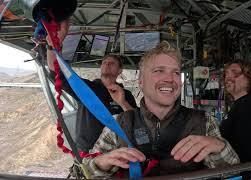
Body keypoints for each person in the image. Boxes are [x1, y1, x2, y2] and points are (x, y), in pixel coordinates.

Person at [82, 41, 239, 178]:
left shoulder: (204, 121)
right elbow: (86, 171)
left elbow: (232, 172)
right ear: (141, 82)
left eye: (176, 72)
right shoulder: (117, 124)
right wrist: (100, 163)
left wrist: (220, 147)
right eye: (159, 71)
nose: (170, 79)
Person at [46, 20, 137, 153]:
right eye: (104, 62)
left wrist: (122, 102)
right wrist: (52, 44)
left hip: (116, 152)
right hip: (87, 153)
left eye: (112, 63)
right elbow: (56, 72)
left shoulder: (126, 94)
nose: (107, 64)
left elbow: (136, 121)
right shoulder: (85, 88)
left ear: (119, 71)